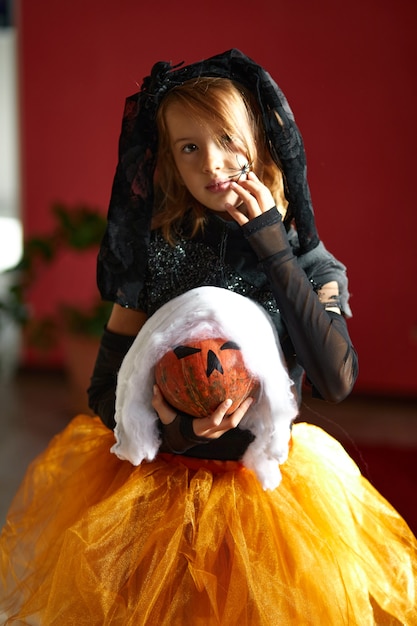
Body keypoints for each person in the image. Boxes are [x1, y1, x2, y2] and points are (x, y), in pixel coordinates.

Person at [0, 49, 416, 625]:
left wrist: (273, 245)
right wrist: (181, 429)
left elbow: (336, 380)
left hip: (266, 496)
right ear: (169, 161)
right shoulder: (155, 255)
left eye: (226, 139)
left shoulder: (309, 262)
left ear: (261, 141)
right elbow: (102, 390)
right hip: (159, 495)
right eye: (188, 148)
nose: (212, 165)